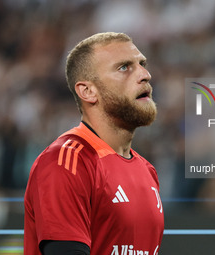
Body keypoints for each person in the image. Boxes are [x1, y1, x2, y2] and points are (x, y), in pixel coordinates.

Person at [24, 32, 164, 255]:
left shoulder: (147, 171)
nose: (145, 74)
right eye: (124, 67)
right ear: (88, 91)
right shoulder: (66, 161)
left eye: (142, 64)